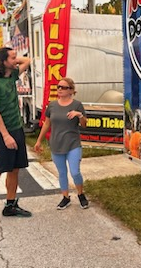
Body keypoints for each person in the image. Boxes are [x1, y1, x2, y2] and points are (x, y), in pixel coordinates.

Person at [0, 47, 32, 227]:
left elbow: (28, 61)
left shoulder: (11, 76)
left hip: (16, 129)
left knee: (15, 169)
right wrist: (6, 135)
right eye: (12, 57)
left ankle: (10, 205)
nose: (16, 59)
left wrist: (14, 60)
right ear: (3, 61)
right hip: (2, 133)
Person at [34, 77, 89, 209]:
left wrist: (79, 115)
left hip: (73, 144)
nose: (59, 89)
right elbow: (47, 123)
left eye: (63, 87)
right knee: (62, 172)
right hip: (56, 144)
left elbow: (84, 125)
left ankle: (81, 194)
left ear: (71, 90)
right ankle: (65, 197)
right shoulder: (52, 105)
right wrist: (39, 141)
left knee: (75, 172)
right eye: (58, 87)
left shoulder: (77, 105)